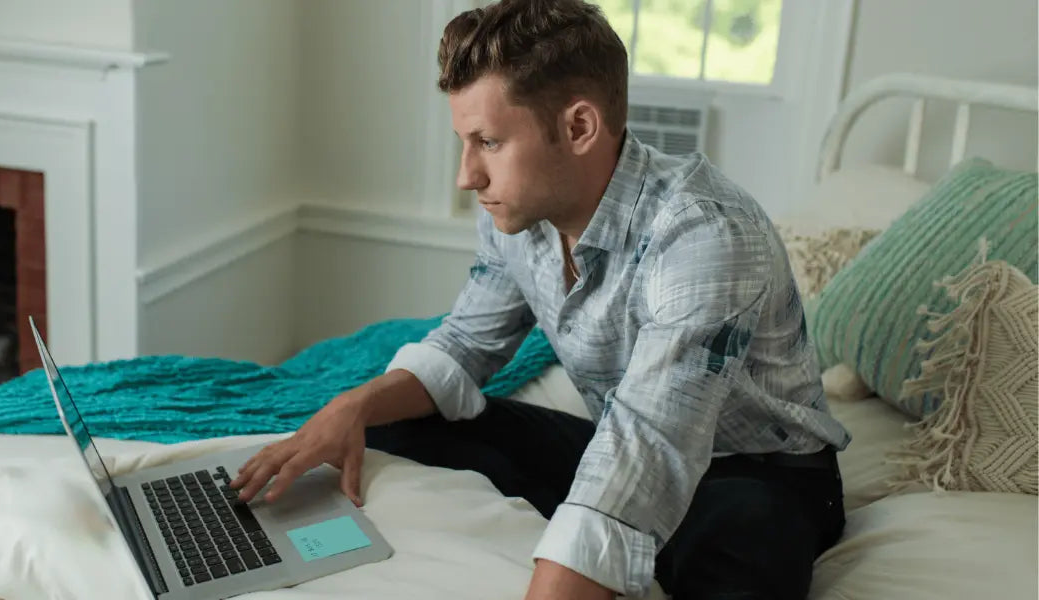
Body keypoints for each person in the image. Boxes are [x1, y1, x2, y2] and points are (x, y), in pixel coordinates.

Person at [231, 1, 851, 598]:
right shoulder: (519, 210)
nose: (466, 175)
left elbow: (650, 443)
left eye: (489, 143)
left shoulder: (707, 233)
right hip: (619, 432)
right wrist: (354, 406)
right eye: (464, 142)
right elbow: (468, 343)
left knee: (737, 556)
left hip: (757, 471)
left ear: (578, 126)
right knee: (407, 425)